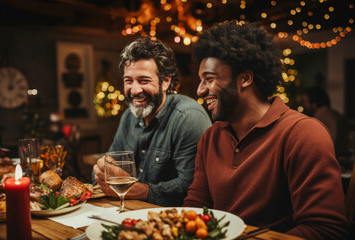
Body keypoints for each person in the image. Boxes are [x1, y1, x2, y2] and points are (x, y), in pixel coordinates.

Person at [183, 21, 347, 240]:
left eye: (209, 79)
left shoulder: (303, 134)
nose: (200, 90)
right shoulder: (211, 137)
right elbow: (195, 208)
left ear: (245, 79)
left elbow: (325, 230)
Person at [93, 37, 211, 206]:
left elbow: (192, 188)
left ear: (166, 81)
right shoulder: (128, 116)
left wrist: (138, 190)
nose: (134, 90)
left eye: (144, 80)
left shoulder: (188, 117)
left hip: (175, 222)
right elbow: (105, 175)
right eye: (128, 81)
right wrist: (102, 171)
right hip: (130, 215)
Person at [302, 86, 349, 156]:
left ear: (314, 103)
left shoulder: (320, 117)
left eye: (306, 101)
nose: (304, 105)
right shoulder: (333, 113)